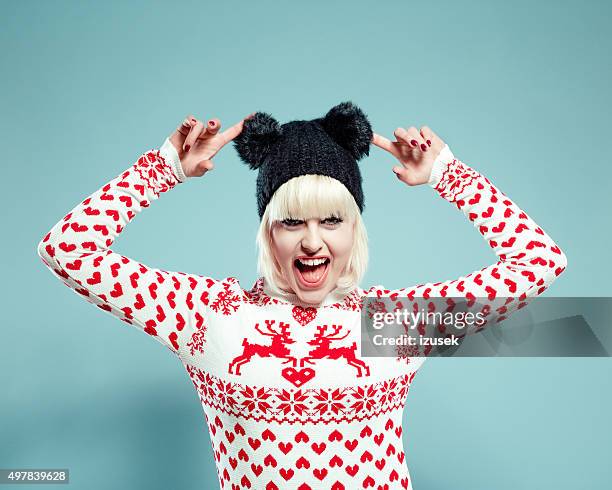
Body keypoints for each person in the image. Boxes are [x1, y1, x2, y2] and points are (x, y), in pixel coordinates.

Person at [37, 102, 567, 490]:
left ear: (354, 229)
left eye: (332, 220)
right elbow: (67, 250)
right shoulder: (208, 315)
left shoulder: (389, 322)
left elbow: (540, 262)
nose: (312, 242)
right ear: (269, 231)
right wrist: (162, 170)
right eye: (292, 221)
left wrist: (449, 175)